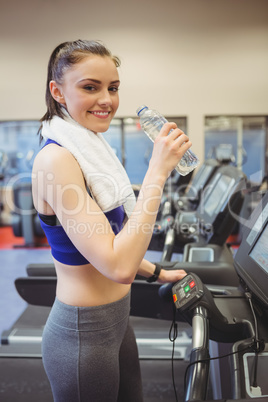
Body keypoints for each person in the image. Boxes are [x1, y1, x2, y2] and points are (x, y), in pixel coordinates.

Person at [32, 39, 191, 402]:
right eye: (91, 87)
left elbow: (112, 239)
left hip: (117, 320)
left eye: (113, 88)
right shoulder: (56, 161)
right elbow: (117, 266)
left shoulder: (91, 149)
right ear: (58, 92)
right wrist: (157, 171)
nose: (107, 99)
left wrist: (157, 273)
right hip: (83, 333)